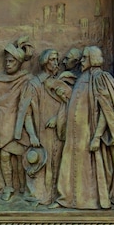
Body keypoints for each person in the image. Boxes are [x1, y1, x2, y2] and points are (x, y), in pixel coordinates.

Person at [54, 46, 114, 210]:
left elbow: (106, 110)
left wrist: (96, 136)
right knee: (70, 163)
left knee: (89, 167)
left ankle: (91, 201)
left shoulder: (100, 77)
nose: (81, 60)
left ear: (93, 59)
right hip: (75, 134)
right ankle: (66, 199)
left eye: (85, 58)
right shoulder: (82, 77)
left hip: (89, 132)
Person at [0, 39, 41, 201]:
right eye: (6, 61)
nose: (8, 64)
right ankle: (8, 187)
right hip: (3, 124)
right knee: (4, 155)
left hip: (21, 124)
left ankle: (25, 187)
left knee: (21, 157)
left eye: (12, 61)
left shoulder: (27, 80)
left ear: (19, 63)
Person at [33, 49, 72, 205]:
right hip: (42, 130)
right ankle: (45, 196)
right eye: (52, 60)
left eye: (57, 60)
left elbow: (71, 104)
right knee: (45, 163)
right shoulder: (36, 83)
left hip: (59, 129)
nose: (55, 63)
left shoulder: (61, 83)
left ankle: (58, 197)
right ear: (44, 62)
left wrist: (58, 118)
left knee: (58, 162)